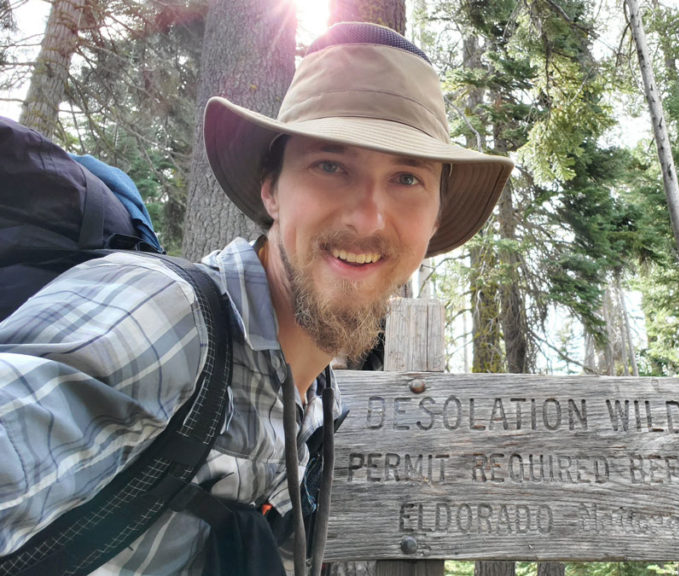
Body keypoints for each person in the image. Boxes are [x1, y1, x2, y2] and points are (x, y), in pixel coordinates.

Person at [0, 22, 513, 575]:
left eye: (407, 178)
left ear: (435, 218)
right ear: (271, 191)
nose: (368, 217)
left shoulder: (315, 410)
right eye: (330, 166)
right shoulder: (163, 315)